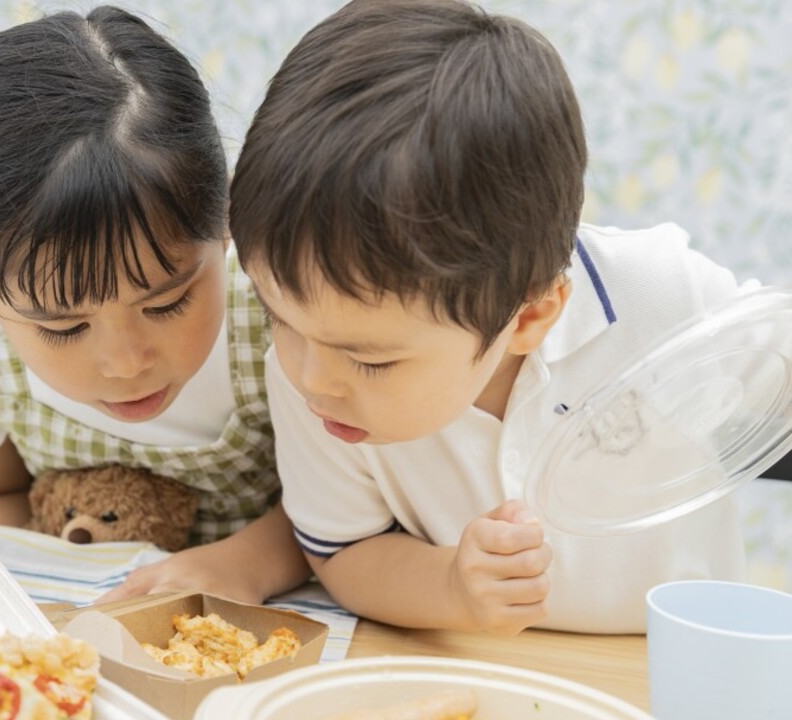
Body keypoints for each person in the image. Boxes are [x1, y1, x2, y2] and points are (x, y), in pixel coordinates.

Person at [228, 0, 749, 634]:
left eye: (370, 360)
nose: (309, 376)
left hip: (682, 670)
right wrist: (452, 587)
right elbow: (344, 551)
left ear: (529, 317)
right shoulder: (320, 373)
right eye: (277, 316)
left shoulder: (664, 298)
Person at [0, 6, 309, 603]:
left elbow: (358, 502)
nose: (125, 362)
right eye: (66, 327)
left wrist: (249, 565)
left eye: (168, 303)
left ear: (226, 218)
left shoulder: (284, 310)